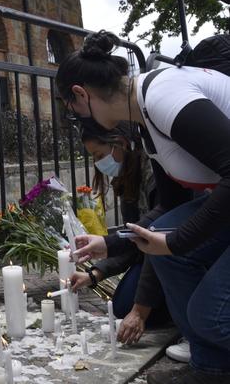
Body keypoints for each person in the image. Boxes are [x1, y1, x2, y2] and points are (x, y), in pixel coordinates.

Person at [56, 30, 230, 384]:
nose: (78, 122)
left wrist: (176, 241)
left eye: (73, 113)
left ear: (81, 94)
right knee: (170, 258)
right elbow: (173, 204)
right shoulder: (146, 118)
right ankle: (212, 368)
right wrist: (111, 241)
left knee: (210, 315)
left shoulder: (166, 96)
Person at [71, 123, 171, 346]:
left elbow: (154, 233)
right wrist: (94, 274)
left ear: (120, 143)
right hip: (148, 252)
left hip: (168, 249)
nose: (98, 163)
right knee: (121, 305)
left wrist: (140, 311)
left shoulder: (153, 171)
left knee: (134, 306)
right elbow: (132, 243)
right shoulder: (127, 179)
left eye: (99, 154)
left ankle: (181, 314)